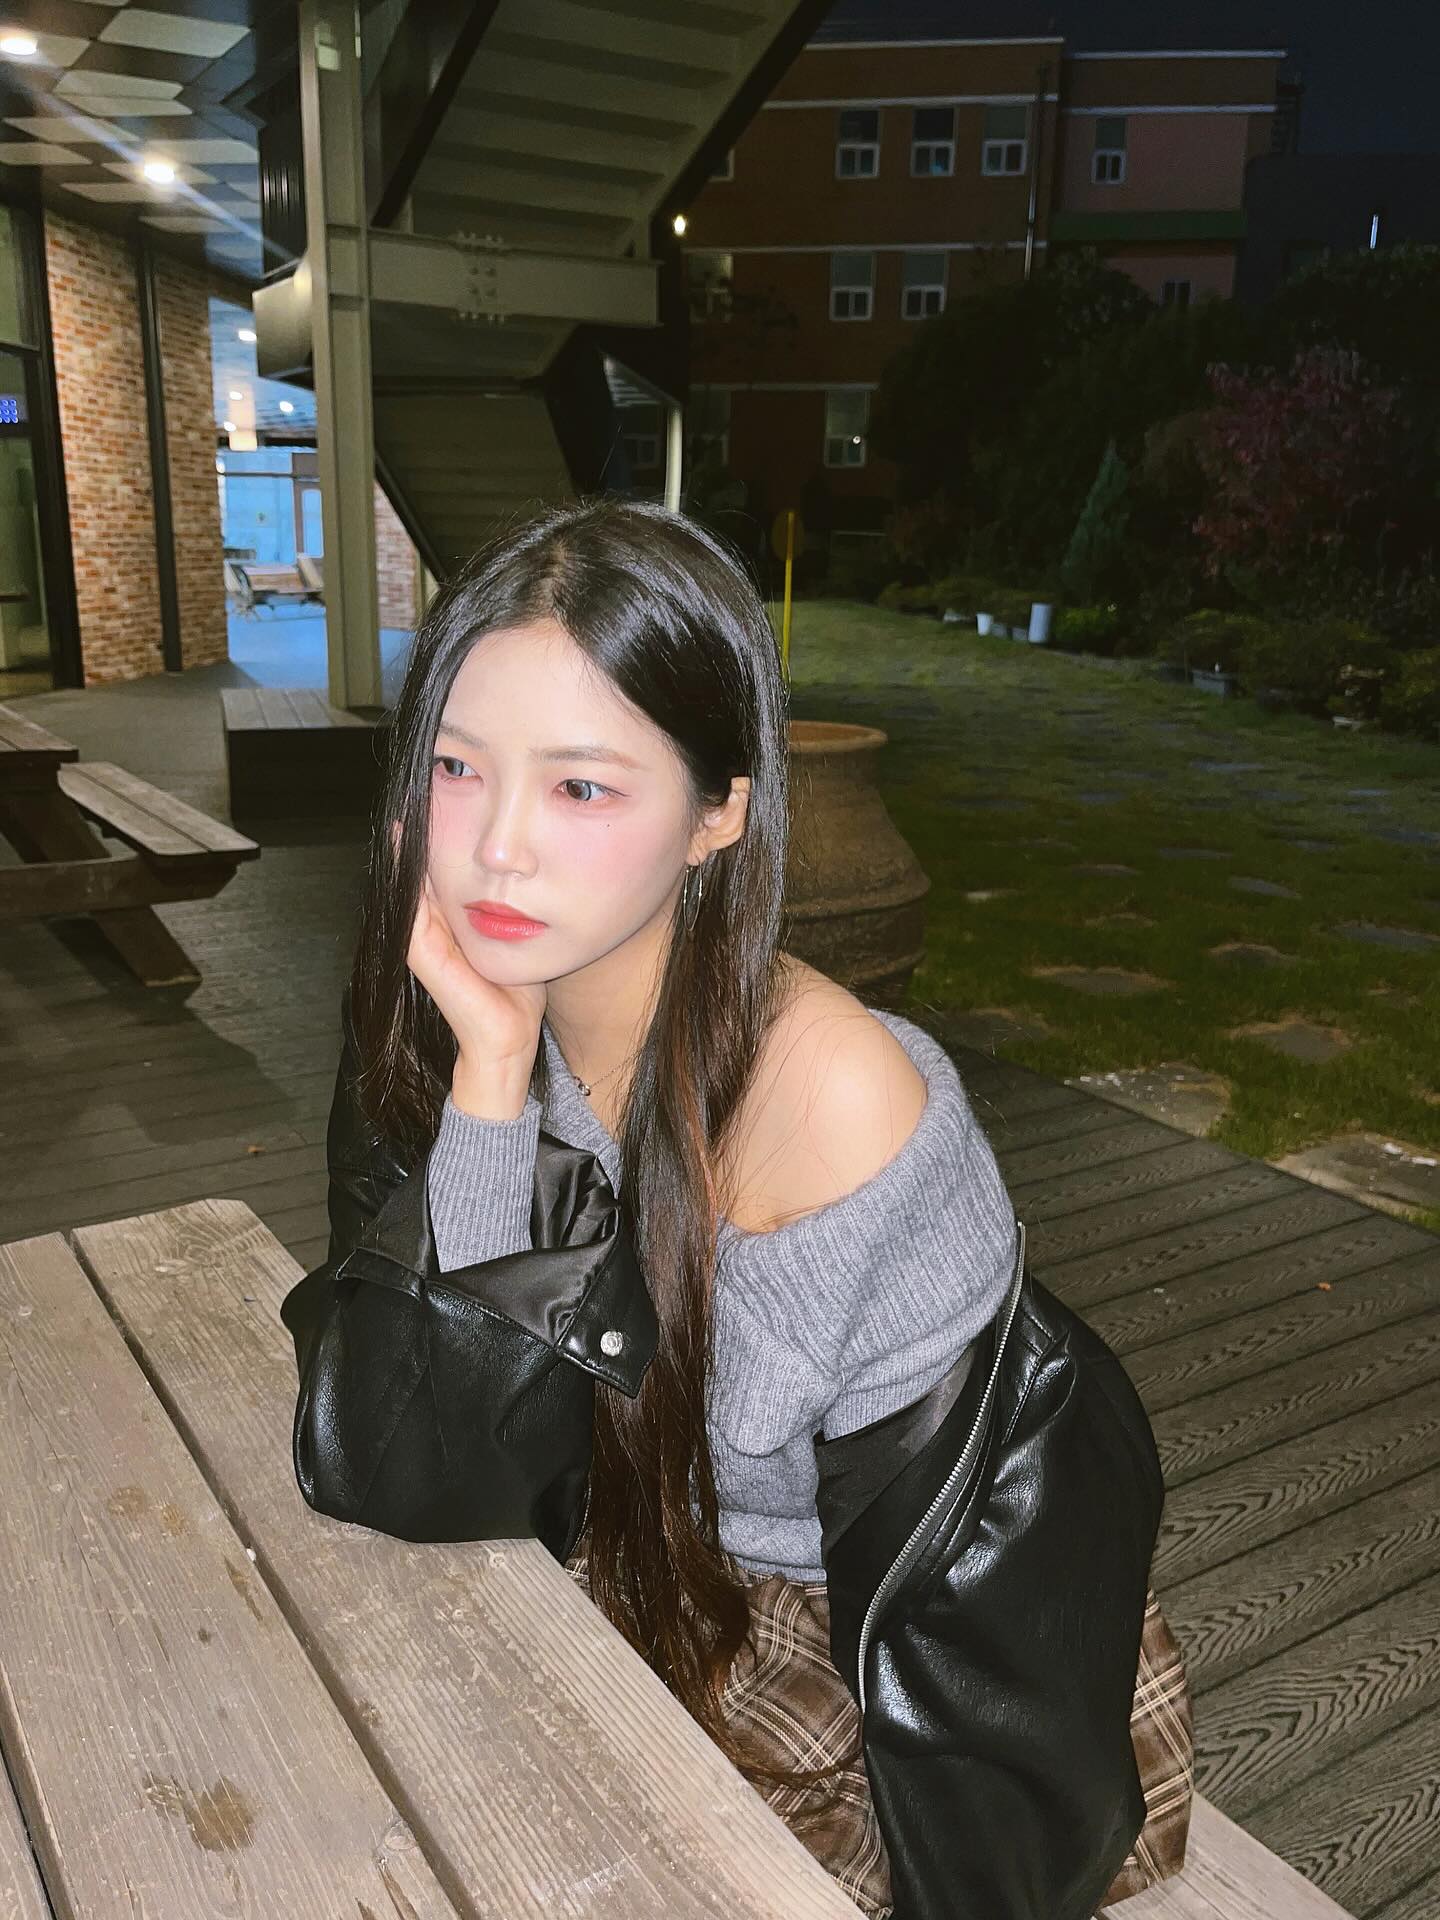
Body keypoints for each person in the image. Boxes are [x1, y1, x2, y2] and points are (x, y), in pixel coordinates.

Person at [280, 495, 1155, 1920]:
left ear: (719, 812)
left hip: (850, 1657)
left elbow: (973, 1604)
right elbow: (415, 1474)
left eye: (581, 788)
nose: (496, 848)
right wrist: (491, 1090)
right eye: (454, 766)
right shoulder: (439, 1011)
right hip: (588, 1554)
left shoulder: (834, 1102)